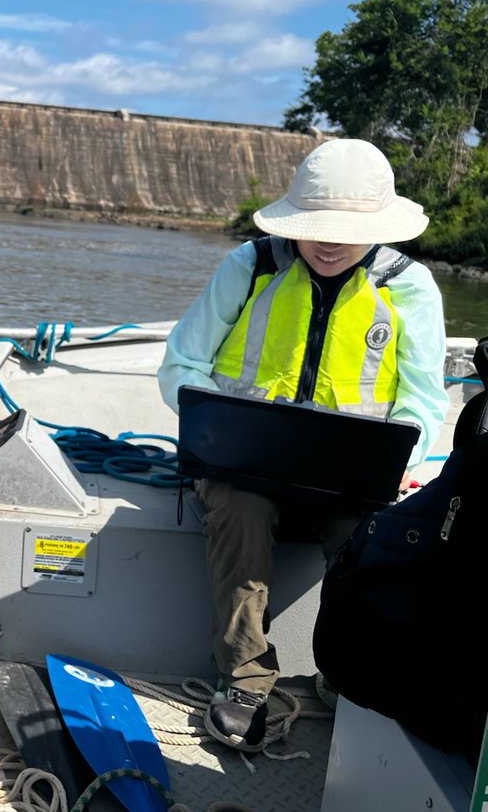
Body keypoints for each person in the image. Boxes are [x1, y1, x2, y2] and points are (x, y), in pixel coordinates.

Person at [157, 138, 449, 751]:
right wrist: (218, 427)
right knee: (240, 510)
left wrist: (406, 459)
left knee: (371, 539)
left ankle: (342, 676)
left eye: (347, 229)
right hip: (242, 470)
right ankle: (244, 678)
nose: (330, 241)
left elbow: (422, 401)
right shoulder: (250, 265)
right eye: (317, 226)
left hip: (351, 481)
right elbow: (183, 365)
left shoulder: (411, 288)